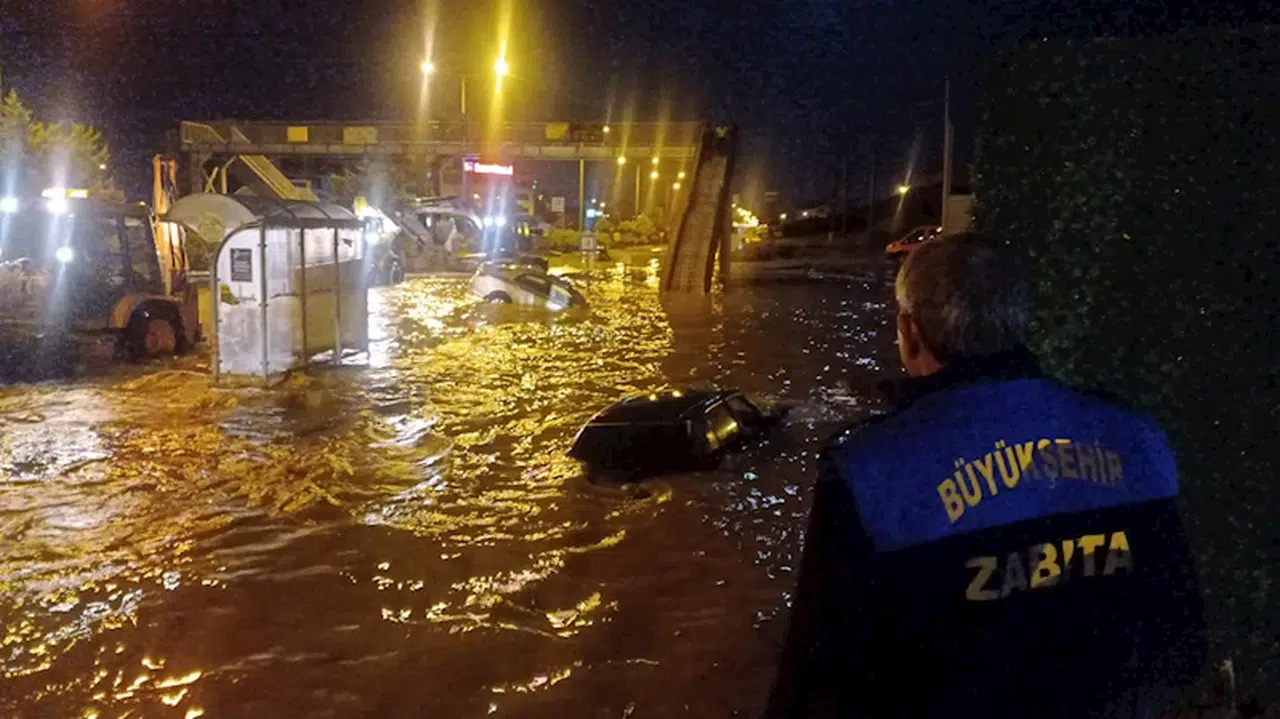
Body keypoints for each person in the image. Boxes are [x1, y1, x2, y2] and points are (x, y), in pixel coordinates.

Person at [764, 233, 1206, 718]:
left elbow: (819, 681)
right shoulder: (1135, 437)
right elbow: (1181, 640)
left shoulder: (868, 470)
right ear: (1019, 321)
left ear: (910, 331)